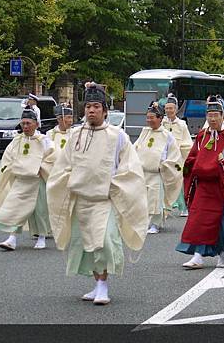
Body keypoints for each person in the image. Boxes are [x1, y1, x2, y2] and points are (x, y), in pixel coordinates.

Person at [47, 82, 148, 305]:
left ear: (104, 110)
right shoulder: (75, 135)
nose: (91, 110)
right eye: (88, 107)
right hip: (81, 199)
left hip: (105, 200)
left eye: (96, 106)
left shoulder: (118, 136)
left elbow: (130, 169)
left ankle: (103, 285)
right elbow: (63, 166)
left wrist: (113, 186)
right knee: (86, 245)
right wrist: (69, 182)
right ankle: (96, 284)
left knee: (104, 241)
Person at [177, 95, 224, 269]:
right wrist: (191, 165)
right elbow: (193, 156)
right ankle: (197, 256)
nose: (212, 119)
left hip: (222, 186)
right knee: (198, 219)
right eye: (209, 115)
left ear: (222, 116)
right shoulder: (203, 135)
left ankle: (223, 256)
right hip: (204, 186)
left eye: (215, 115)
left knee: (221, 224)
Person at [0, 107, 55, 250]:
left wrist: (40, 168)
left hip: (37, 180)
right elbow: (8, 158)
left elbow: (52, 158)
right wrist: (11, 168)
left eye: (28, 123)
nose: (25, 127)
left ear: (36, 124)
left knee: (40, 210)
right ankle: (12, 238)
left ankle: (42, 236)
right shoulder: (17, 140)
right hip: (21, 180)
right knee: (15, 208)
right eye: (23, 123)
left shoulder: (44, 140)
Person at [134, 102, 183, 234]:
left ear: (160, 118)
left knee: (155, 199)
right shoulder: (144, 132)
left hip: (157, 173)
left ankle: (155, 223)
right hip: (143, 172)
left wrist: (163, 165)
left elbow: (175, 156)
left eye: (152, 117)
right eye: (148, 117)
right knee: (143, 199)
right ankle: (145, 222)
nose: (149, 120)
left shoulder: (167, 135)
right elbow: (135, 147)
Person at [162, 93, 193, 217]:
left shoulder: (181, 124)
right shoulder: (163, 123)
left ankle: (183, 206)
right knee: (165, 182)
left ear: (176, 109)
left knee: (180, 182)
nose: (169, 111)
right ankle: (166, 208)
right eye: (167, 108)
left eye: (171, 108)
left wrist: (178, 148)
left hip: (179, 157)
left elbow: (187, 142)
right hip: (166, 158)